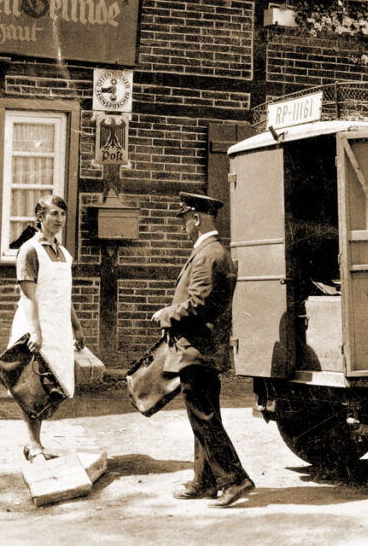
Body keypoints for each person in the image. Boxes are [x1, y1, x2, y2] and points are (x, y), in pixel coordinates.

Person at [151, 192, 254, 508]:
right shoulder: (211, 251)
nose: (183, 226)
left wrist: (166, 314)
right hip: (201, 350)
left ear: (196, 219)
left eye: (184, 219)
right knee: (203, 417)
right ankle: (205, 481)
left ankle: (234, 479)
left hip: (198, 350)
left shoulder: (208, 254)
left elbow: (200, 305)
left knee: (204, 418)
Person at [8, 194, 85, 461]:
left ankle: (35, 442)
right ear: (40, 218)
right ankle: (34, 444)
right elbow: (29, 296)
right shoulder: (30, 250)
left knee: (50, 388)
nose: (59, 219)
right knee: (32, 387)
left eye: (63, 215)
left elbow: (65, 295)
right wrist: (36, 332)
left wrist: (76, 327)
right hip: (35, 326)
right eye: (54, 214)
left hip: (58, 327)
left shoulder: (64, 253)